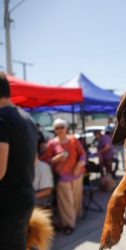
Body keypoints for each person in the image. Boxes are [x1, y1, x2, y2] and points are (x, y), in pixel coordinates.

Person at [0, 72, 38, 249]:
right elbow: (34, 161)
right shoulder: (27, 118)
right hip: (24, 198)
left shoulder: (2, 119)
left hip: (7, 203)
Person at [41, 118, 86, 235]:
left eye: (62, 127)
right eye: (57, 127)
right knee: (66, 202)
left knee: (76, 199)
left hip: (76, 174)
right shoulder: (52, 143)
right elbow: (45, 160)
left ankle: (75, 217)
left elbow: (83, 154)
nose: (60, 129)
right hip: (62, 176)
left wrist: (78, 165)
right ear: (54, 130)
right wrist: (56, 159)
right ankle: (68, 224)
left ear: (66, 128)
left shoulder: (73, 140)